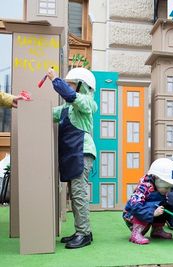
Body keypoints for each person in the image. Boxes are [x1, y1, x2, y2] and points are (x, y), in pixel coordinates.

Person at [47, 67, 97, 249]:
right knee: (75, 195)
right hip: (72, 154)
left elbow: (72, 97)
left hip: (82, 152)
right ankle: (83, 231)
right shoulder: (67, 108)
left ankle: (83, 233)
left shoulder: (86, 102)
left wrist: (56, 80)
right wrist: (26, 102)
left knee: (78, 194)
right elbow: (47, 112)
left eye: (71, 84)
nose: (68, 87)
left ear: (82, 86)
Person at [123, 158, 173, 245]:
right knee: (151, 205)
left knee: (166, 203)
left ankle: (157, 230)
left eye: (170, 188)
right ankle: (136, 233)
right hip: (132, 216)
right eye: (166, 188)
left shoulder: (160, 188)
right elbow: (135, 206)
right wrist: (153, 213)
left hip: (150, 214)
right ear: (156, 178)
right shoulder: (144, 187)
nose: (168, 191)